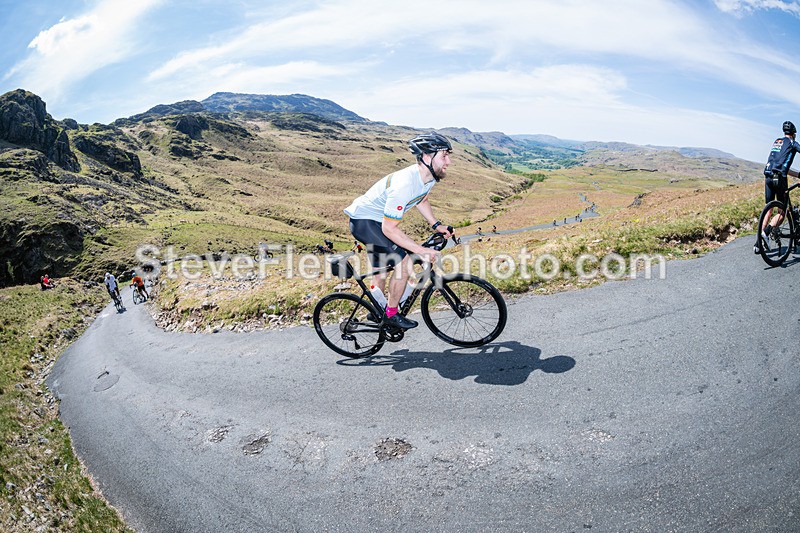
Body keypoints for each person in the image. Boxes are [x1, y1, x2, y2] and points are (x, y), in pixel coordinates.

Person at [344, 133, 453, 330]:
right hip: (365, 223)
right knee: (403, 262)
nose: (449, 161)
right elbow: (388, 228)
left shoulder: (428, 178)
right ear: (427, 157)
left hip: (376, 222)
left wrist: (436, 225)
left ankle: (376, 310)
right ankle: (391, 315)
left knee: (383, 271)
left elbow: (422, 200)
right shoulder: (405, 183)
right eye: (444, 155)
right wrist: (421, 250)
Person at [756, 120, 800, 254]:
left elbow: (780, 164)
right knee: (782, 211)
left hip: (768, 175)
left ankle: (758, 244)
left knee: (768, 209)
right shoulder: (792, 143)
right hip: (779, 178)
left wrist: (798, 175)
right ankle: (767, 232)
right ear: (794, 134)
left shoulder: (777, 142)